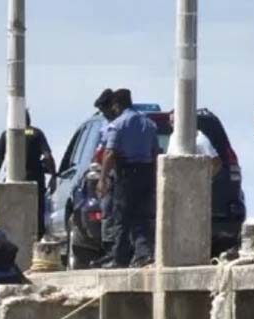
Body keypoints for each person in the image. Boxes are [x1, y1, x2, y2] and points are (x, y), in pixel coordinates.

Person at [95, 88, 160, 268]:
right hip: (146, 172)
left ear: (116, 105)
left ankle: (119, 258)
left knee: (122, 217)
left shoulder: (118, 124)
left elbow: (109, 153)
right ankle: (143, 254)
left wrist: (103, 179)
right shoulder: (149, 124)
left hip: (127, 173)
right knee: (142, 216)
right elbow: (155, 152)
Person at [0, 110, 58, 239]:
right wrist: (53, 175)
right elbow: (48, 156)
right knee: (37, 216)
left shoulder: (7, 134)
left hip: (13, 182)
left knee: (12, 218)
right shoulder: (36, 133)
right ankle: (36, 241)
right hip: (36, 181)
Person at [166, 111, 222, 177]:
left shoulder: (200, 139)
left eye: (175, 121)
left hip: (195, 182)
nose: (173, 125)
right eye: (171, 122)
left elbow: (216, 163)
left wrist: (206, 179)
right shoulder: (173, 137)